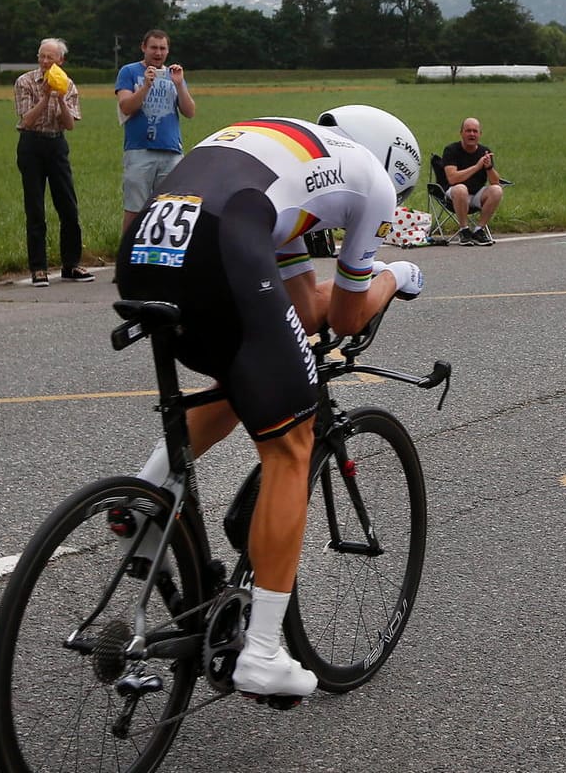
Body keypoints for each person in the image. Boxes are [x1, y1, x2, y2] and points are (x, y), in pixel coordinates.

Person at [117, 105, 425, 698]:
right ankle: (261, 652)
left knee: (244, 372)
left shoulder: (289, 148)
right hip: (222, 240)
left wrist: (346, 289)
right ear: (393, 163)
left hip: (150, 245)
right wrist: (398, 273)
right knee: (291, 443)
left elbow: (299, 303)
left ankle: (143, 500)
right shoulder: (374, 180)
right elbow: (347, 315)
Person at [14, 39, 93, 284]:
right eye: (42, 57)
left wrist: (59, 99)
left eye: (50, 57)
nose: (45, 62)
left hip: (56, 144)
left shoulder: (68, 84)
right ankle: (39, 268)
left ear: (61, 61)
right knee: (35, 208)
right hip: (31, 144)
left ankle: (72, 264)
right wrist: (45, 98)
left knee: (68, 206)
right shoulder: (25, 82)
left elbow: (69, 124)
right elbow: (26, 120)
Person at [115, 29, 196, 234]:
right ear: (144, 48)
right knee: (135, 209)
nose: (158, 53)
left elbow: (189, 112)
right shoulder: (129, 72)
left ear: (168, 51)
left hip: (171, 151)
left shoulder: (173, 75)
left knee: (169, 210)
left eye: (162, 48)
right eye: (153, 48)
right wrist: (145, 86)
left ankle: (159, 256)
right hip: (139, 151)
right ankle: (128, 258)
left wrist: (179, 85)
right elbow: (126, 106)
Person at [440, 117, 504, 245]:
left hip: (476, 194)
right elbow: (452, 178)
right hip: (454, 195)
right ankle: (464, 230)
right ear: (461, 133)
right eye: (468, 131)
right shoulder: (451, 150)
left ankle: (479, 230)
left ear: (480, 134)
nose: (472, 134)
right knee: (461, 189)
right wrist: (476, 167)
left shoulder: (484, 151)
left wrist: (489, 167)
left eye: (475, 131)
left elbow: (495, 182)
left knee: (497, 190)